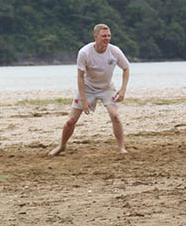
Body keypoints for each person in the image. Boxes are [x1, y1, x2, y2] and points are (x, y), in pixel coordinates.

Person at [48, 24, 131, 156]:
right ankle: (61, 145)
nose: (107, 38)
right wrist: (84, 99)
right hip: (87, 87)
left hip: (106, 88)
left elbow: (126, 68)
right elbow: (80, 77)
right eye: (104, 36)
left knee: (115, 116)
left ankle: (121, 147)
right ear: (96, 36)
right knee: (71, 121)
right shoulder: (84, 52)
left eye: (109, 35)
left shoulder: (114, 51)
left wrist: (122, 90)